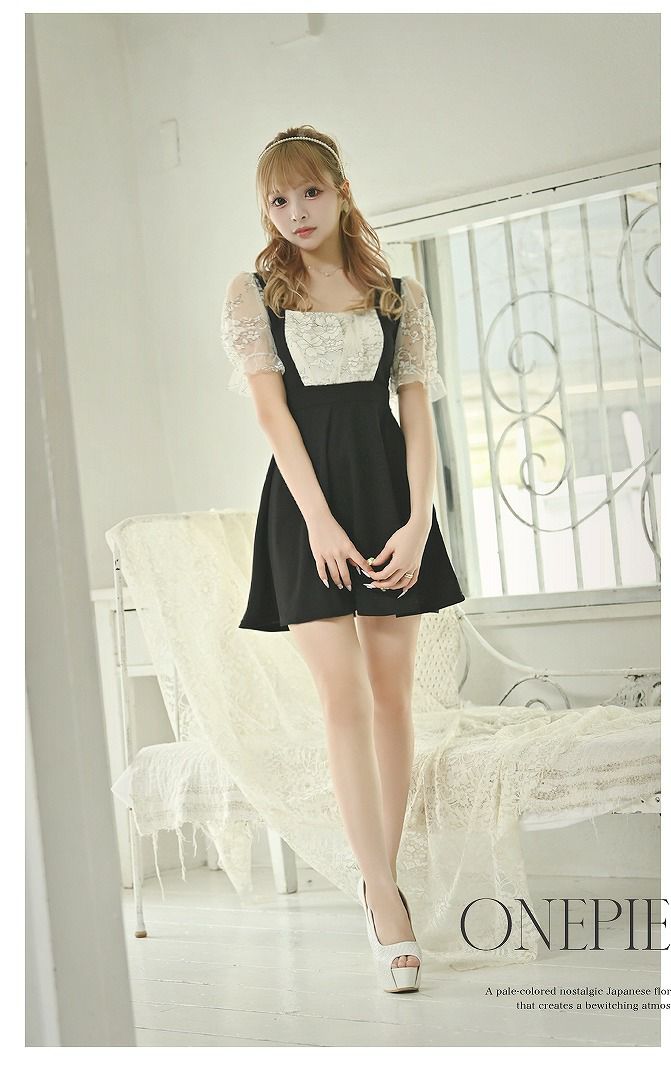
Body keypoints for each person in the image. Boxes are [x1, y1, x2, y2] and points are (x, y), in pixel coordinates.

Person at [220, 124, 465, 993]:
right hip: (305, 507)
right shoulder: (255, 294)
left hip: (389, 497)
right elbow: (273, 416)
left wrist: (419, 521)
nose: (296, 212)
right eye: (279, 199)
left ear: (341, 191)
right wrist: (318, 521)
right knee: (344, 695)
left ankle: (377, 879)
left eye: (310, 192)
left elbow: (417, 413)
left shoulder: (397, 294)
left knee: (394, 695)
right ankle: (388, 903)